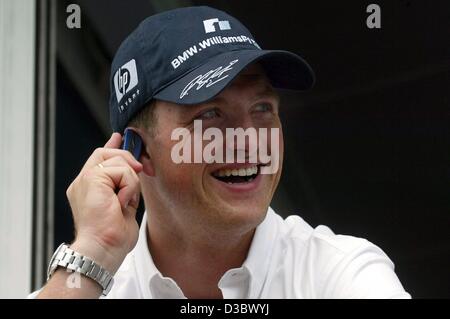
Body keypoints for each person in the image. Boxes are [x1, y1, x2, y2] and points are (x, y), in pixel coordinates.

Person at [31, 6, 410, 299]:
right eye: (210, 114)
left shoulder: (340, 272)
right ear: (140, 150)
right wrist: (94, 252)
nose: (250, 140)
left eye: (262, 109)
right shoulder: (84, 287)